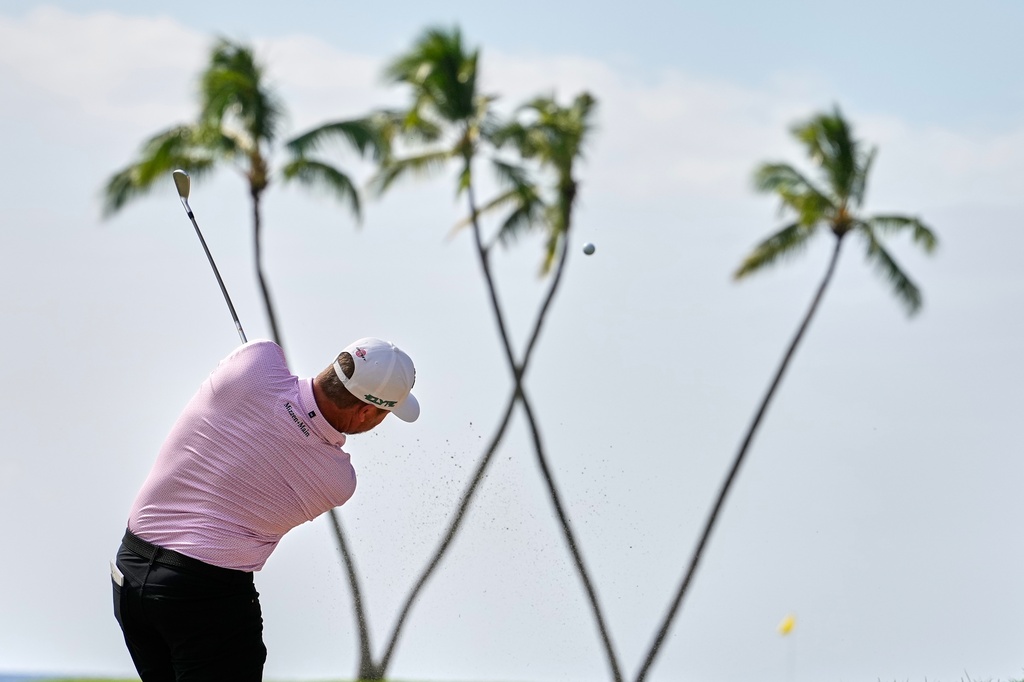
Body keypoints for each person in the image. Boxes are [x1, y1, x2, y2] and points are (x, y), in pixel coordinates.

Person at [111, 336, 419, 682]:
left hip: (130, 570)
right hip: (201, 596)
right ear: (365, 412)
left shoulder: (256, 361)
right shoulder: (338, 480)